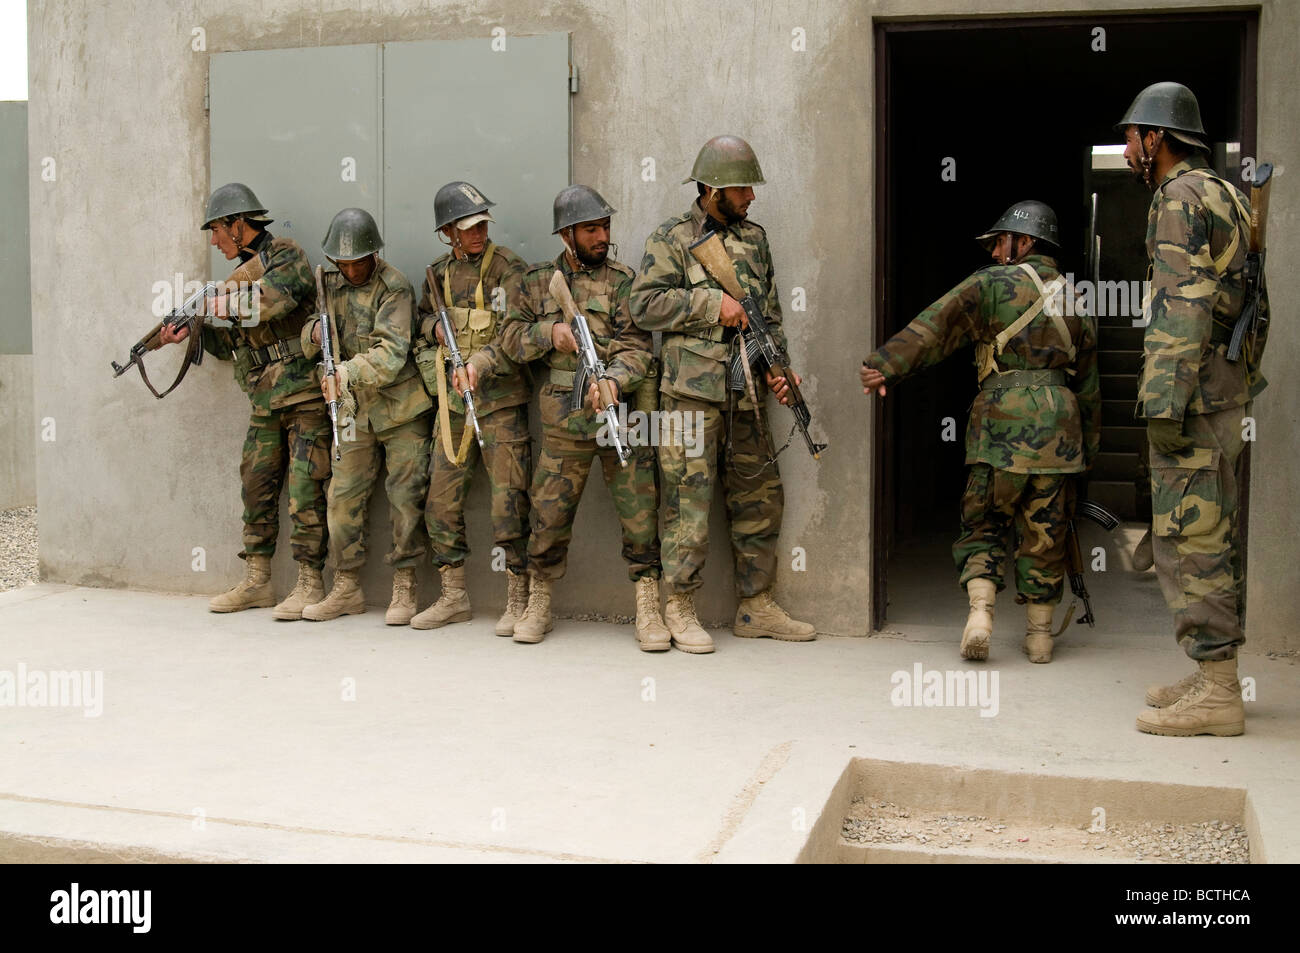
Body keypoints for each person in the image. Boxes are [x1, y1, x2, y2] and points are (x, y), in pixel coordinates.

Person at [860, 200, 1101, 663]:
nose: (994, 253)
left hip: (999, 427)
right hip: (1061, 432)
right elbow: (1089, 383)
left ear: (1024, 242)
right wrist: (1087, 449)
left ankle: (980, 615)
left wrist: (886, 365)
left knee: (984, 521)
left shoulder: (992, 284)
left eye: (1000, 243)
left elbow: (937, 325)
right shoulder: (1078, 298)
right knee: (1045, 534)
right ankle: (1039, 637)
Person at [1115, 82, 1268, 736]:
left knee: (1191, 534)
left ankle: (1218, 690)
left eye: (1131, 137)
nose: (1126, 150)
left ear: (1158, 138)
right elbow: (1256, 301)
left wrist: (1164, 403)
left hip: (1195, 389)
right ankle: (1214, 673)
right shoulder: (1229, 193)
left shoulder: (1177, 198)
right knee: (1218, 528)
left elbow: (1182, 302)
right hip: (1227, 386)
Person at [629, 135, 816, 654]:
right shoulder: (671, 237)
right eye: (741, 189)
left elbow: (769, 316)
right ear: (711, 189)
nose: (751, 197)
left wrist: (780, 370)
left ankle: (757, 607)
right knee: (688, 501)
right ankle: (680, 607)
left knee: (760, 495)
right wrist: (713, 305)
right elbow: (643, 307)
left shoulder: (755, 239)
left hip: (748, 393)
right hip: (690, 393)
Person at [494, 185, 668, 648]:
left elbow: (638, 347)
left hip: (620, 417)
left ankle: (649, 604)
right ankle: (539, 600)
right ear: (567, 233)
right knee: (548, 515)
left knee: (641, 512)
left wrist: (612, 380)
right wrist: (549, 333)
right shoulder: (534, 281)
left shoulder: (625, 280)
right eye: (591, 229)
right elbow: (508, 338)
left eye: (605, 227)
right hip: (563, 422)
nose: (602, 236)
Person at [161, 183, 330, 619]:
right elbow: (230, 346)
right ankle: (257, 581)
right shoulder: (232, 282)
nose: (214, 241)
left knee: (306, 490)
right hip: (265, 401)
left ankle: (310, 583)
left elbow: (270, 302)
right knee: (255, 489)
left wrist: (215, 305)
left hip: (305, 394)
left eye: (217, 230)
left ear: (239, 225)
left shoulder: (284, 255)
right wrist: (190, 332)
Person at [296, 208, 432, 624]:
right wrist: (314, 334)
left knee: (405, 500)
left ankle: (405, 586)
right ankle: (347, 586)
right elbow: (307, 337)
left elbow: (390, 356)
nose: (352, 269)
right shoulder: (329, 284)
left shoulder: (394, 288)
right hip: (354, 412)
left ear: (374, 254)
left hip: (400, 410)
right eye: (344, 262)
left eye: (359, 261)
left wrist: (345, 372)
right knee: (341, 499)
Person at [409, 181, 531, 634]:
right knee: (439, 501)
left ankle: (518, 596)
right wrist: (433, 331)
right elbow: (421, 320)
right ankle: (453, 593)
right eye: (467, 228)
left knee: (510, 502)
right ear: (448, 232)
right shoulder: (436, 274)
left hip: (500, 404)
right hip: (454, 408)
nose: (478, 233)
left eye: (482, 224)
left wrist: (480, 363)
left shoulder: (509, 269)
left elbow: (518, 334)